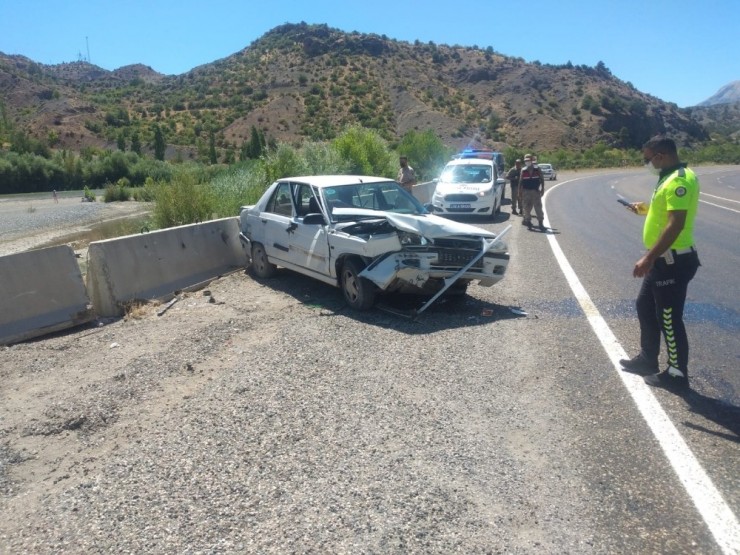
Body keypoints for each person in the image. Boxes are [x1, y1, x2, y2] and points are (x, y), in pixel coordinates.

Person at [619, 136, 701, 392]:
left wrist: (649, 257)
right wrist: (643, 210)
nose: (646, 163)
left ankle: (677, 374)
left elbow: (675, 223)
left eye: (647, 158)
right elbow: (664, 213)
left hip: (673, 260)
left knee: (668, 317)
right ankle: (647, 359)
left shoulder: (680, 180)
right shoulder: (666, 176)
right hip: (664, 259)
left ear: (661, 155)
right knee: (645, 305)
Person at [518, 154, 545, 230]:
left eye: (528, 160)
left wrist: (542, 189)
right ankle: (528, 222)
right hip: (526, 192)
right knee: (526, 207)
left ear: (531, 160)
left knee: (538, 207)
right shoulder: (523, 170)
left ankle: (540, 223)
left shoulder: (537, 169)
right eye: (526, 161)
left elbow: (542, 179)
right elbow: (520, 182)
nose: (527, 162)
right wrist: (519, 192)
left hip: (535, 191)